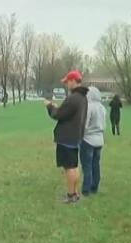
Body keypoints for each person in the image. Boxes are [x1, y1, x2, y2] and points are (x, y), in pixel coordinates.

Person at [44, 70, 89, 204]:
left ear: (73, 81)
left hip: (66, 138)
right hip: (75, 137)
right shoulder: (82, 98)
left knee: (69, 167)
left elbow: (57, 115)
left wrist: (50, 106)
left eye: (67, 82)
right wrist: (59, 108)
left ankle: (70, 195)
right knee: (74, 166)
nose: (66, 85)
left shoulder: (73, 98)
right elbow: (67, 112)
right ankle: (74, 193)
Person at [80, 87, 106, 196]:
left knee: (87, 166)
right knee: (96, 165)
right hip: (99, 139)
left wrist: (80, 135)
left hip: (88, 139)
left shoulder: (89, 107)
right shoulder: (102, 108)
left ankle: (86, 189)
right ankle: (94, 187)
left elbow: (84, 125)